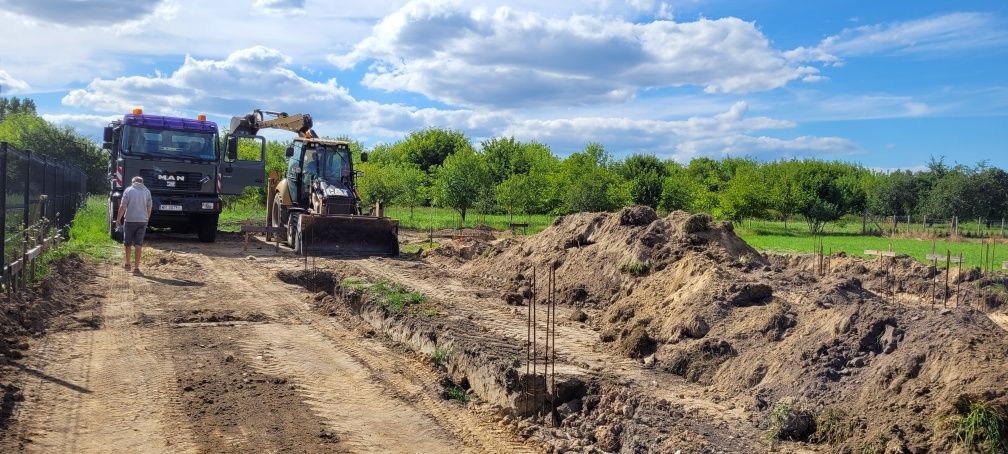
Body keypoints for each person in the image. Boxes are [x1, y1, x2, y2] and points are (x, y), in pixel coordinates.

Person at [115, 176, 152, 275]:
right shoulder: (147, 192)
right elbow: (149, 208)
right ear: (142, 182)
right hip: (142, 221)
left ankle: (127, 263)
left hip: (129, 221)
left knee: (127, 243)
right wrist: (146, 220)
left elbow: (122, 206)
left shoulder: (128, 190)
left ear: (133, 182)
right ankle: (136, 268)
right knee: (138, 244)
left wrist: (118, 220)